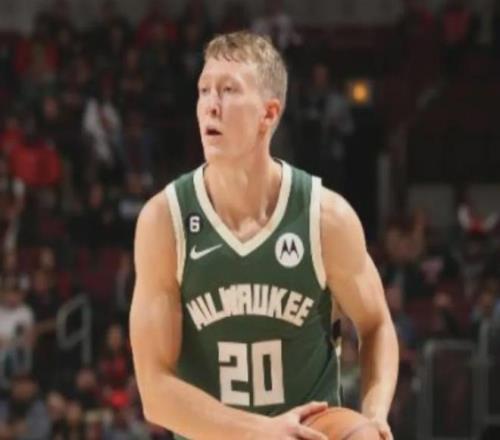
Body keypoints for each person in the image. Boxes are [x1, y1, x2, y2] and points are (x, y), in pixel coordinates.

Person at [130, 31, 398, 440]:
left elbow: (376, 323)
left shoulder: (325, 217)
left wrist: (375, 413)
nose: (211, 105)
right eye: (204, 90)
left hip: (309, 431)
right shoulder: (165, 221)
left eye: (228, 90)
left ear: (268, 114)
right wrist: (264, 431)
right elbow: (155, 393)